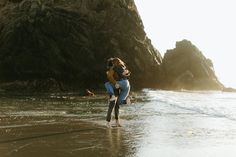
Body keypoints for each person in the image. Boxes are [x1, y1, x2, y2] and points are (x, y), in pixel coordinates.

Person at [105, 57, 131, 128]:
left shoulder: (113, 69)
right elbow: (126, 74)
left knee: (112, 106)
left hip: (114, 88)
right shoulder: (114, 69)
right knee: (116, 105)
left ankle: (110, 123)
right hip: (117, 87)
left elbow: (110, 79)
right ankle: (115, 122)